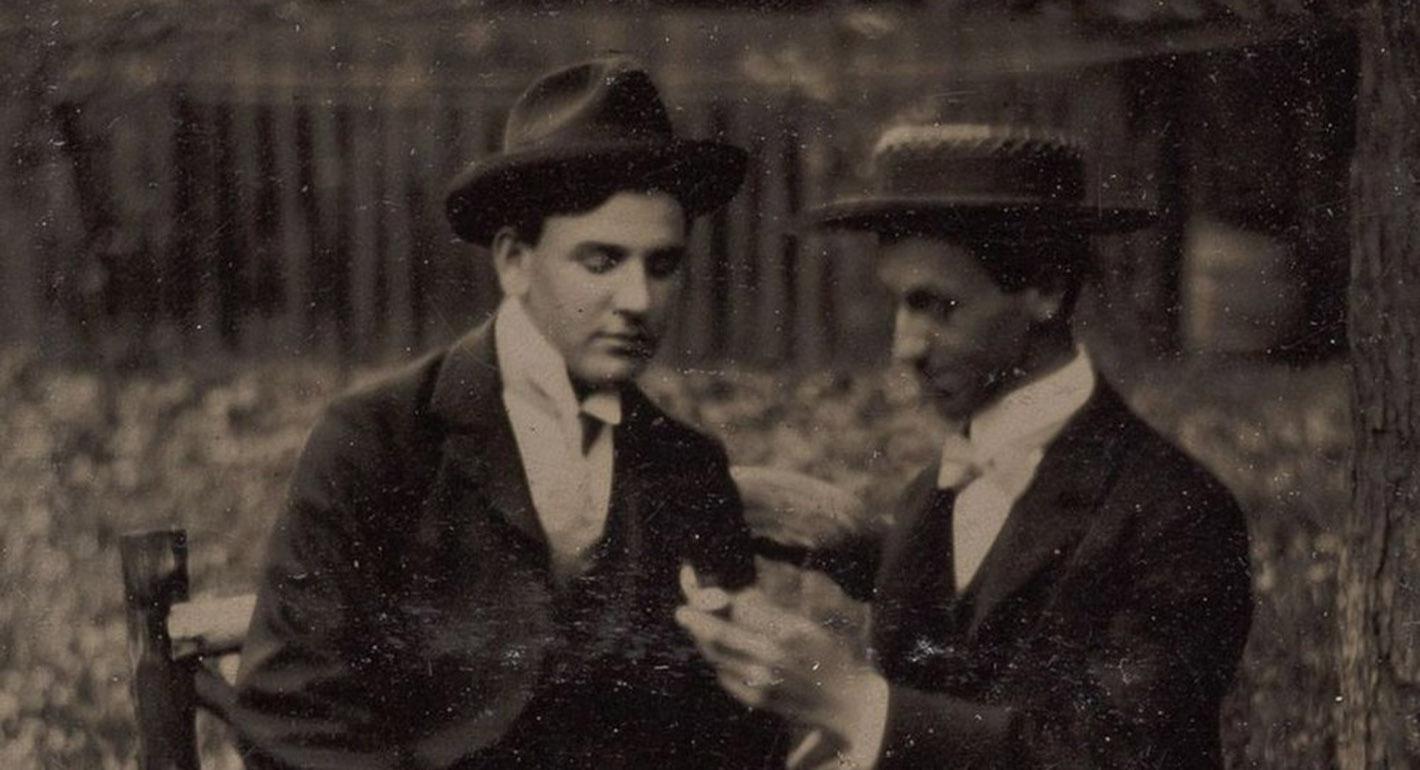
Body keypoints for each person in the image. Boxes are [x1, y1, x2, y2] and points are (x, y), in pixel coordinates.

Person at [233, 56, 782, 770]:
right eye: (601, 261)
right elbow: (291, 717)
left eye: (662, 264)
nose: (639, 300)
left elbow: (735, 732)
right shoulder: (379, 440)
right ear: (515, 261)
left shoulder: (687, 466)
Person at [677, 123, 1253, 769]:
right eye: (899, 306)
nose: (905, 347)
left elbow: (1114, 754)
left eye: (938, 306)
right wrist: (855, 552)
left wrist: (852, 703)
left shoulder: (1176, 514)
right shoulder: (932, 496)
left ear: (1046, 289)